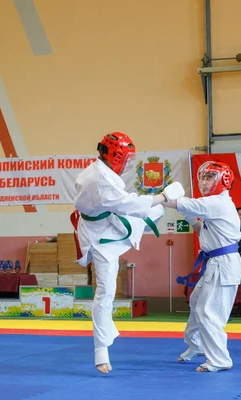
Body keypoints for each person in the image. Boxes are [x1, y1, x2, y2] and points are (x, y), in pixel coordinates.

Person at [73, 131, 184, 374]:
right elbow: (129, 205)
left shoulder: (101, 172)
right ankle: (100, 350)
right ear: (116, 156)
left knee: (151, 212)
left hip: (109, 221)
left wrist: (162, 200)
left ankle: (168, 202)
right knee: (105, 292)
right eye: (127, 159)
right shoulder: (100, 180)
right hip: (99, 236)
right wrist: (164, 196)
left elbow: (126, 203)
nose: (128, 165)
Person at [165, 161, 241, 372]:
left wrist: (159, 199)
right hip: (213, 263)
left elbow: (187, 204)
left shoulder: (219, 203)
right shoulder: (213, 205)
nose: (204, 182)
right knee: (197, 304)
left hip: (223, 264)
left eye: (210, 177)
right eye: (203, 177)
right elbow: (202, 230)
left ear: (224, 181)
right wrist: (189, 217)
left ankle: (219, 360)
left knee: (210, 313)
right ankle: (197, 345)